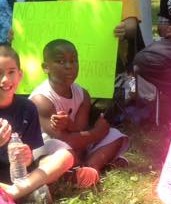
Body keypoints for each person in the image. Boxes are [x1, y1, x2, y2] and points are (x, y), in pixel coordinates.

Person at [0, 45, 75, 202]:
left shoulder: (28, 107)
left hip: (21, 176)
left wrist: (27, 156)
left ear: (20, 75)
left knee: (66, 156)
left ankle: (11, 194)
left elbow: (30, 156)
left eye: (11, 72)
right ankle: (27, 192)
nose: (6, 80)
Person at [30, 40, 128, 175]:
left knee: (115, 135)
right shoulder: (41, 99)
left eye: (74, 60)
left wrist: (70, 125)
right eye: (60, 61)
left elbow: (81, 130)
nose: (69, 66)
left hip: (78, 144)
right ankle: (83, 169)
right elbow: (63, 140)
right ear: (46, 67)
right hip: (51, 149)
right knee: (65, 153)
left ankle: (89, 168)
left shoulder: (82, 94)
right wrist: (97, 132)